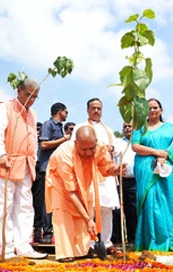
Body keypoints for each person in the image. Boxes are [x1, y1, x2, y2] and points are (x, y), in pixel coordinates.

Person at [45, 126, 126, 262]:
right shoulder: (64, 155)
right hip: (61, 185)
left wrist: (116, 169)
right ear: (76, 143)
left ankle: (81, 250)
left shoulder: (99, 148)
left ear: (95, 141)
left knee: (85, 212)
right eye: (84, 149)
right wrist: (89, 220)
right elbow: (71, 192)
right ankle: (65, 252)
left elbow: (106, 166)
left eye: (91, 148)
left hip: (84, 183)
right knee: (65, 215)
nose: (89, 153)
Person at [131, 98, 173, 252]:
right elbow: (135, 146)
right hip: (148, 171)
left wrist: (165, 154)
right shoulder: (140, 128)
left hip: (169, 171)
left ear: (161, 110)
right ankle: (150, 240)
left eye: (155, 107)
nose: (153, 110)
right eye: (149, 108)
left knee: (171, 202)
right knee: (150, 202)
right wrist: (155, 152)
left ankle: (172, 239)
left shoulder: (170, 128)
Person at [0, 78, 47, 259]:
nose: (31, 100)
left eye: (35, 97)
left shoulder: (33, 114)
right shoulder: (5, 107)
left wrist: (34, 161)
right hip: (6, 163)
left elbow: (33, 140)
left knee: (25, 206)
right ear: (18, 91)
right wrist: (1, 154)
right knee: (3, 207)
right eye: (28, 95)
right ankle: (5, 247)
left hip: (26, 166)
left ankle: (23, 246)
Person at [72, 97, 123, 257]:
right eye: (93, 108)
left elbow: (119, 148)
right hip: (88, 172)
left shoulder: (107, 129)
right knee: (90, 207)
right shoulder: (81, 127)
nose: (96, 111)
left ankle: (107, 242)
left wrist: (112, 147)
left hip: (106, 173)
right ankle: (91, 243)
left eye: (99, 108)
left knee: (107, 209)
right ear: (87, 110)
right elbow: (74, 146)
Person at [37, 102, 70, 244]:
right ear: (60, 111)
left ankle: (56, 232)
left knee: (57, 201)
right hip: (47, 168)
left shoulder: (60, 127)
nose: (67, 115)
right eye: (66, 112)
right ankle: (47, 232)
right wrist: (63, 139)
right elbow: (43, 144)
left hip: (58, 168)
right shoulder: (48, 125)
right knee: (47, 202)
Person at [112, 122, 137, 246]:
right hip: (120, 180)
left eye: (130, 126)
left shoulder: (138, 142)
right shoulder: (118, 143)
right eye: (125, 127)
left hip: (135, 181)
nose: (127, 129)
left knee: (132, 210)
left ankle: (133, 239)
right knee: (117, 211)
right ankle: (118, 241)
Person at [31, 121, 43, 243]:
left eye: (40, 129)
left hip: (39, 174)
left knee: (38, 205)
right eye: (36, 129)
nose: (38, 131)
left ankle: (37, 233)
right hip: (27, 173)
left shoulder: (42, 144)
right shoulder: (27, 141)